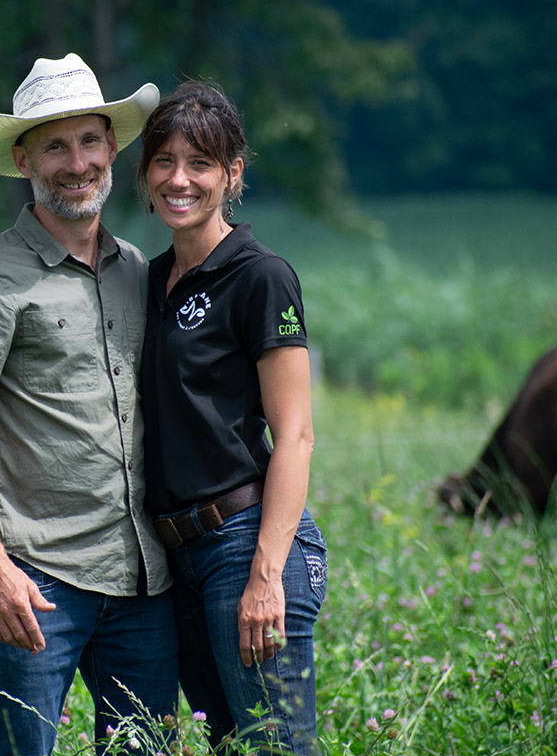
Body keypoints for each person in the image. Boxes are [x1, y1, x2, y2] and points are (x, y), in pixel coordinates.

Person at [0, 53, 177, 756]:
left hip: (143, 581)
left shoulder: (136, 269)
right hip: (36, 582)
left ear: (112, 147)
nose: (77, 162)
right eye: (55, 145)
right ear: (24, 158)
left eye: (90, 141)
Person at [137, 80, 329, 754]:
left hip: (246, 544)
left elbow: (297, 436)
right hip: (175, 558)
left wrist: (265, 576)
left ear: (233, 174)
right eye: (163, 161)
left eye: (200, 164)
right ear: (144, 173)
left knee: (275, 747)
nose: (178, 179)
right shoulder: (147, 280)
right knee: (228, 745)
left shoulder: (261, 276)